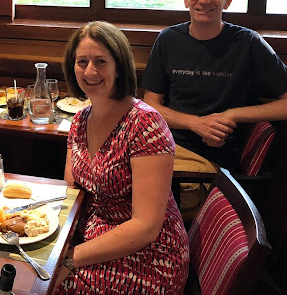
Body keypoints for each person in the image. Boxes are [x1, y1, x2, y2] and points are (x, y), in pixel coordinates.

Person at [142, 0, 287, 186]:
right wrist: (196, 123)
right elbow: (151, 105)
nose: (204, 0)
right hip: (166, 146)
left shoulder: (248, 42)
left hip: (214, 163)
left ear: (228, 1)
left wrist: (232, 115)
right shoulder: (168, 39)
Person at [55, 21, 188, 295]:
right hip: (91, 236)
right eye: (82, 62)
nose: (90, 71)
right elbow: (72, 193)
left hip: (149, 256)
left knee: (38, 285)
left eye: (101, 61)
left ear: (119, 66)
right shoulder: (80, 119)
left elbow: (146, 227)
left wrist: (67, 258)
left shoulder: (145, 124)